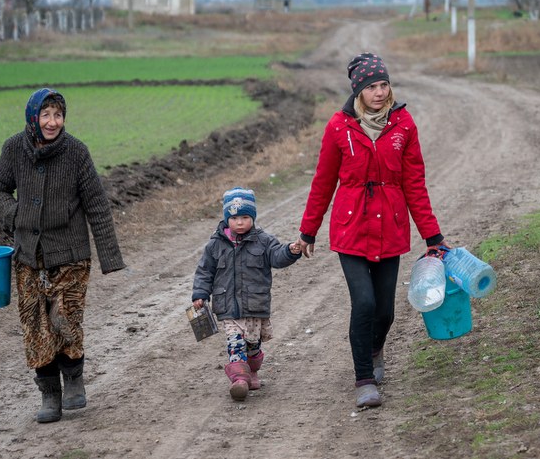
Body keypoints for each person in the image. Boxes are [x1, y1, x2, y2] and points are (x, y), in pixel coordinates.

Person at [296, 52, 449, 408]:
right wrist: (308, 231)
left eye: (384, 85)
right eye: (371, 87)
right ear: (358, 91)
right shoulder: (338, 126)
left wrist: (433, 237)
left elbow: (415, 184)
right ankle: (363, 378)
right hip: (351, 228)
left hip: (391, 228)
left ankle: (376, 346)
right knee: (363, 303)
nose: (379, 92)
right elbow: (323, 182)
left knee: (386, 312)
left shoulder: (404, 124)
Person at [0, 88, 125, 424]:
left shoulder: (76, 152)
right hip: (28, 258)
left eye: (58, 115)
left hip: (70, 256)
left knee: (65, 319)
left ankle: (74, 378)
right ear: (33, 116)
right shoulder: (13, 149)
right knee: (36, 327)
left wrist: (110, 257)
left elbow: (96, 204)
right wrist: (15, 213)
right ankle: (50, 394)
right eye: (46, 115)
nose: (52, 122)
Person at [191, 187, 302, 401]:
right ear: (226, 218)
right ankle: (239, 381)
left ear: (252, 217)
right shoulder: (215, 244)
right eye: (234, 218)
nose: (239, 222)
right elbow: (205, 271)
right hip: (229, 307)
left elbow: (277, 257)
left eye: (244, 217)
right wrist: (200, 294)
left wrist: (290, 250)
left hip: (255, 304)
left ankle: (252, 371)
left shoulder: (263, 240)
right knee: (235, 343)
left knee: (252, 346)